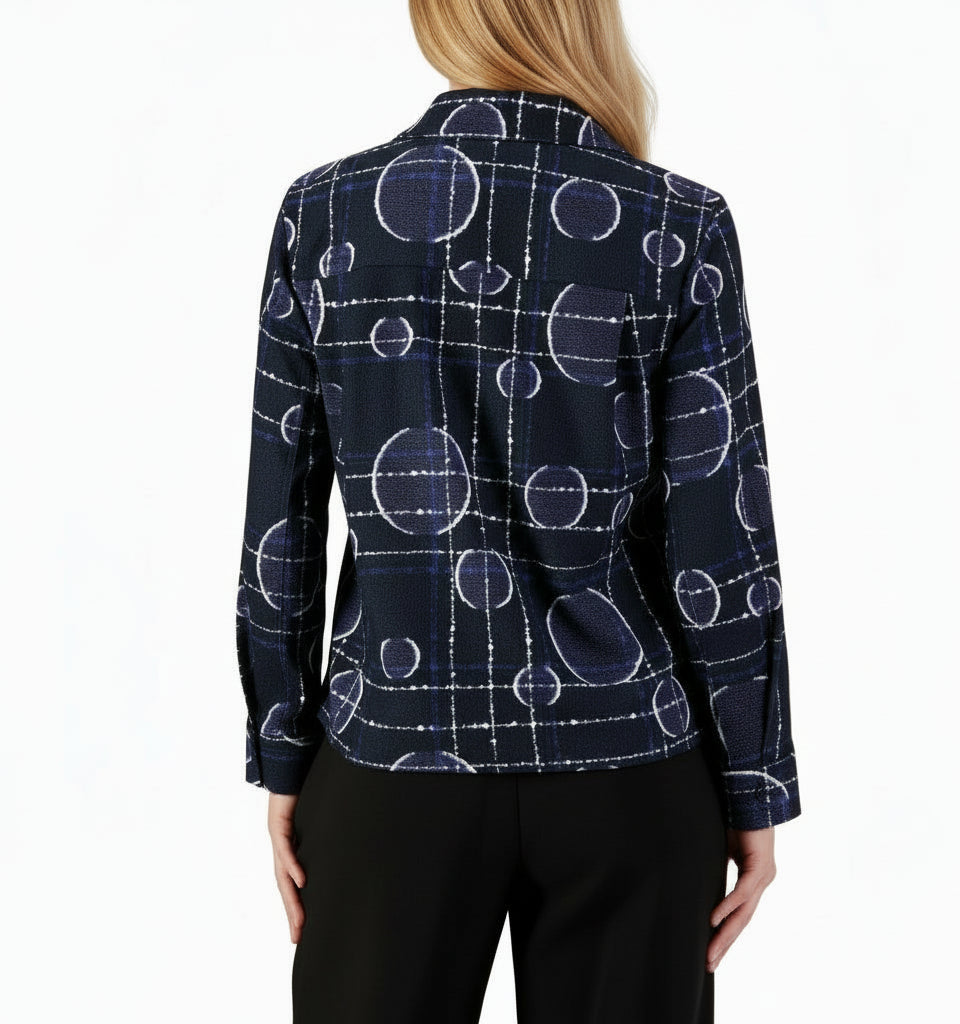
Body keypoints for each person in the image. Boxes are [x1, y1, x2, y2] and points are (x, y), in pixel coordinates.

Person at [234, 1, 802, 1020]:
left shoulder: (324, 212)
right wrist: (752, 783)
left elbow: (281, 524)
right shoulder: (677, 223)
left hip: (390, 755)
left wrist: (284, 751)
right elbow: (721, 542)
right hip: (628, 763)